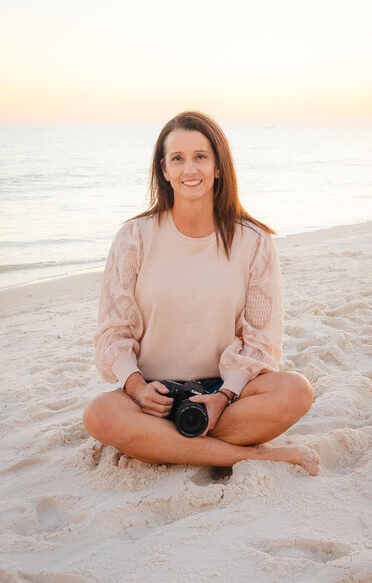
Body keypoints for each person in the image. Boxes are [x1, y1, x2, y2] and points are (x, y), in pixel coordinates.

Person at [83, 110, 320, 476]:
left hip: (224, 393)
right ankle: (259, 457)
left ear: (218, 167)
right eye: (177, 158)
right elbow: (114, 331)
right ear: (163, 170)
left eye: (200, 157)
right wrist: (136, 389)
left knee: (297, 391)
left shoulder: (253, 241)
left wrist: (224, 397)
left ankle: (162, 445)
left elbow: (261, 339)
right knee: (100, 416)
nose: (189, 169)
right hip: (153, 397)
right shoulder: (133, 237)